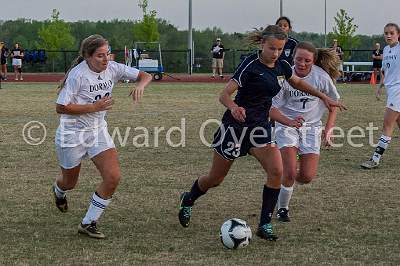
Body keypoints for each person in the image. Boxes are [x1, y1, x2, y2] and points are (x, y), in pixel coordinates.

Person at [178, 25, 345, 241]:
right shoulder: (249, 64)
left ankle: (264, 223)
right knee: (216, 178)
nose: (275, 53)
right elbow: (224, 95)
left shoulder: (282, 66)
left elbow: (298, 83)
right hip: (235, 128)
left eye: (280, 49)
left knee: (277, 171)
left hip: (260, 129)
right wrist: (234, 107)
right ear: (262, 44)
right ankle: (189, 199)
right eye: (272, 48)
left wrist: (324, 97)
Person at [52, 34, 152, 239]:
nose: (106, 59)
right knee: (70, 183)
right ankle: (59, 190)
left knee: (113, 177)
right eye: (100, 56)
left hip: (97, 131)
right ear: (87, 57)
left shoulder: (113, 68)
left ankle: (88, 223)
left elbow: (145, 76)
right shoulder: (77, 75)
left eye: (107, 53)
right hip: (72, 133)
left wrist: (140, 85)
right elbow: (60, 107)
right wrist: (93, 107)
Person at [270, 42, 341, 222]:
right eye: (298, 59)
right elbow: (272, 109)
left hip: (311, 128)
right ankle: (282, 209)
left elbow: (334, 105)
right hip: (287, 125)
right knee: (290, 172)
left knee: (307, 176)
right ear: (293, 58)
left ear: (314, 61)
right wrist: (287, 122)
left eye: (307, 61)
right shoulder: (285, 77)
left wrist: (329, 129)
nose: (302, 64)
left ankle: (293, 169)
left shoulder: (322, 77)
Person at [361, 23, 400, 169]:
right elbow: (385, 70)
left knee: (387, 125)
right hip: (391, 91)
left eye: (392, 33)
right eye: (386, 33)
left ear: (398, 34)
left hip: (398, 91)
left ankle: (375, 159)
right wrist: (380, 86)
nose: (388, 35)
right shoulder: (385, 49)